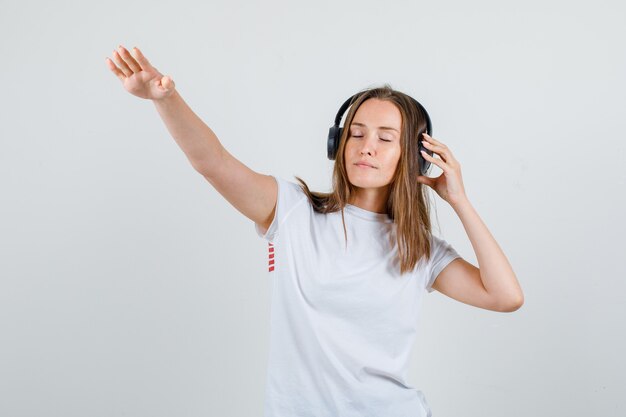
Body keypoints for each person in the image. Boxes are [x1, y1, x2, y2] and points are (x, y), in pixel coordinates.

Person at [106, 45, 524, 417]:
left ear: (414, 158)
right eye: (356, 134)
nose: (366, 146)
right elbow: (211, 161)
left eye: (385, 138)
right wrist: (166, 99)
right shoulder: (291, 212)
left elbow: (505, 296)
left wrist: (460, 201)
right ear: (337, 145)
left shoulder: (419, 249)